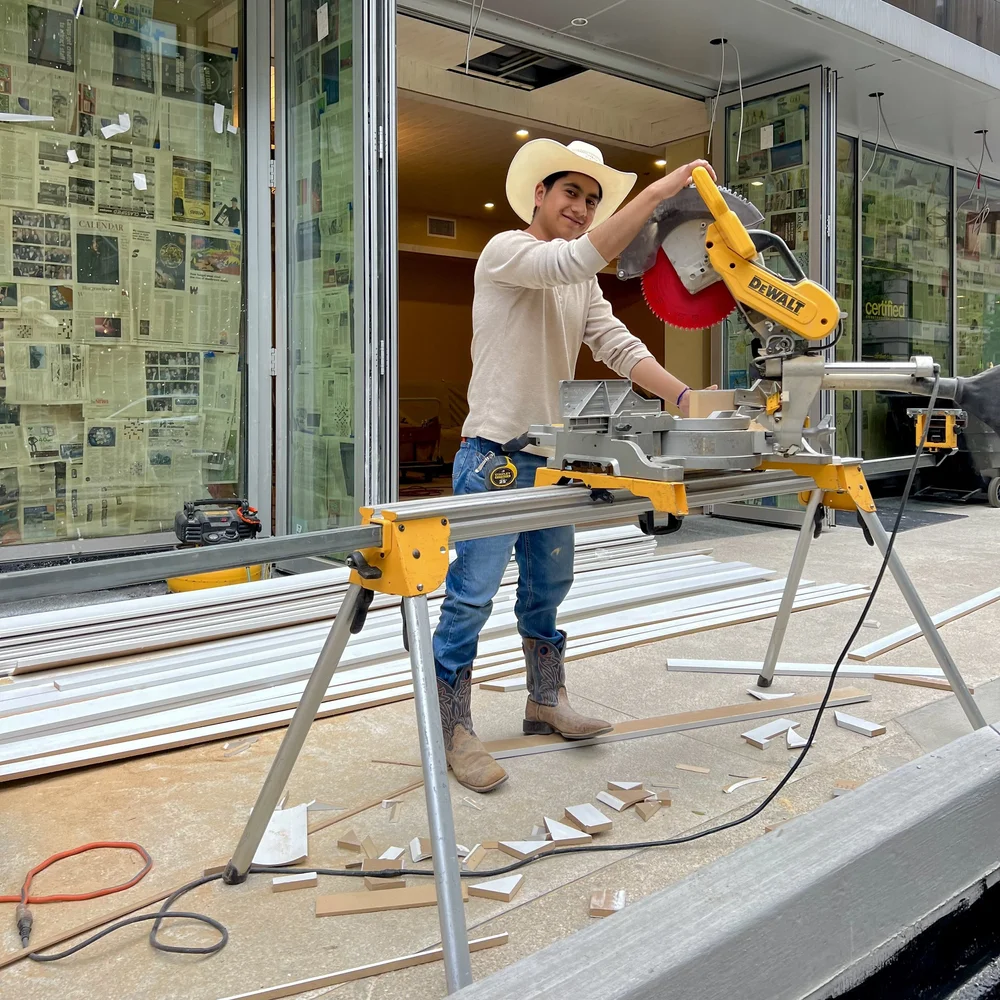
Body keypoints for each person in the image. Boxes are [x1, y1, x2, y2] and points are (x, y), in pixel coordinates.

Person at [433, 137, 718, 792]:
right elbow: (568, 263)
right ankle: (454, 729)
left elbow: (613, 341)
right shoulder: (508, 253)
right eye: (572, 193)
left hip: (550, 458)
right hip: (493, 459)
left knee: (547, 589)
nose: (583, 206)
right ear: (539, 193)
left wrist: (682, 395)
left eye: (593, 199)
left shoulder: (579, 278)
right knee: (471, 597)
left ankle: (544, 702)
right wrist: (655, 194)